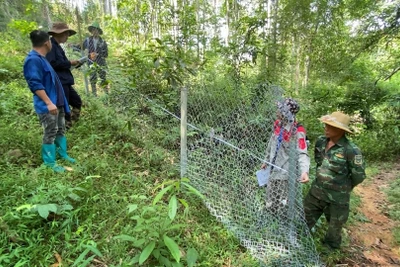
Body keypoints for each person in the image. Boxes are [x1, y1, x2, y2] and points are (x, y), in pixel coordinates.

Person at [303, 111, 366, 251]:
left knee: (334, 230)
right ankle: (299, 243)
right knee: (302, 222)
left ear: (340, 130)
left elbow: (359, 175)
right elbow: (319, 162)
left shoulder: (351, 150)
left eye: (330, 126)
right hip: (316, 193)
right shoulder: (320, 142)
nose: (325, 128)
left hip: (337, 199)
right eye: (325, 124)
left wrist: (342, 188)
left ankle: (329, 252)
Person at [23, 30, 76, 172]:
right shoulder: (32, 60)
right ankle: (50, 164)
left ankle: (62, 154)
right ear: (47, 42)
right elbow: (35, 84)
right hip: (48, 105)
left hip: (57, 102)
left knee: (60, 130)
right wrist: (48, 102)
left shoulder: (42, 58)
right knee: (50, 132)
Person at [261, 98, 310, 214]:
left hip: (285, 173)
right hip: (272, 169)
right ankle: (269, 216)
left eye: (280, 109)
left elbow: (302, 152)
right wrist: (266, 160)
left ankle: (281, 221)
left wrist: (304, 171)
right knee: (269, 198)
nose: (277, 111)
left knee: (282, 202)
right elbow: (271, 144)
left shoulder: (297, 131)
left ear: (286, 112)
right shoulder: (277, 124)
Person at [46, 22, 82, 130]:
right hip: (59, 82)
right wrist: (70, 63)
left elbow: (62, 64)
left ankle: (69, 123)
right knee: (63, 106)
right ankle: (64, 129)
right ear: (59, 34)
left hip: (65, 80)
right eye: (66, 34)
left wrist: (75, 64)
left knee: (77, 101)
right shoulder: (51, 46)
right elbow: (51, 64)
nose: (67, 37)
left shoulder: (58, 47)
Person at [83, 22, 108, 96]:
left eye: (96, 30)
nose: (95, 32)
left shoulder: (103, 42)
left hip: (101, 63)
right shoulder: (87, 40)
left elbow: (106, 54)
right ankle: (94, 95)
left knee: (103, 78)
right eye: (93, 30)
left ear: (99, 32)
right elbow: (80, 47)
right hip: (91, 62)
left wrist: (98, 55)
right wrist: (72, 46)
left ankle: (107, 94)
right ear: (91, 31)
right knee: (93, 78)